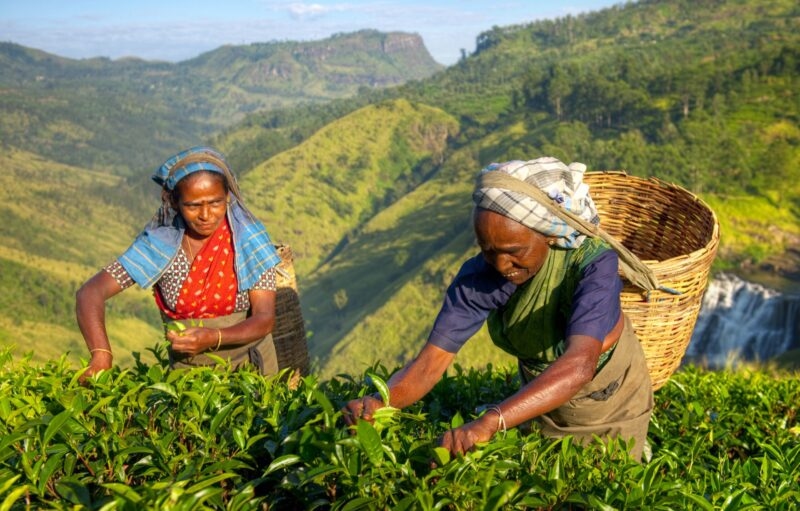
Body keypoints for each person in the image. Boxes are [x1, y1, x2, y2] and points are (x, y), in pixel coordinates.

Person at [343, 157, 654, 461]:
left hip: (609, 392)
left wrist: (490, 421)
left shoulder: (593, 265)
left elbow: (579, 365)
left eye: (513, 252)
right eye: (488, 251)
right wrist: (380, 401)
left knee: (610, 472)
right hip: (541, 391)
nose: (502, 265)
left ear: (547, 232)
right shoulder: (481, 276)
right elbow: (430, 364)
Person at [76, 146, 283, 380]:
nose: (206, 215)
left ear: (228, 197)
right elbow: (90, 293)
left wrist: (214, 337)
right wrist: (101, 355)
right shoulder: (160, 246)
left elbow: (264, 319)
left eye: (215, 203)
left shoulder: (248, 241)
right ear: (174, 202)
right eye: (193, 206)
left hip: (251, 370)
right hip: (188, 377)